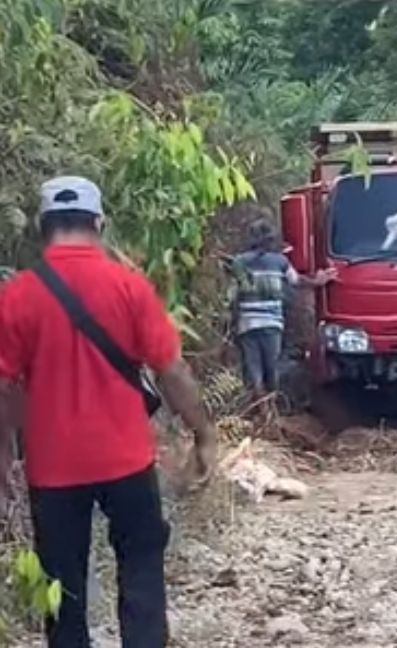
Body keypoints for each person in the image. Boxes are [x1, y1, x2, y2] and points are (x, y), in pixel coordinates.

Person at [0, 176, 217, 647]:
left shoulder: (19, 295)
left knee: (62, 589)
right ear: (99, 222)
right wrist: (203, 434)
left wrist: (3, 453)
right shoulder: (130, 288)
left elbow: (4, 386)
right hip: (127, 463)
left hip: (52, 469)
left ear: (43, 226)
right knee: (140, 570)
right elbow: (171, 371)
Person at [232, 219, 335, 403]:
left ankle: (258, 411)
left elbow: (234, 293)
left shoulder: (239, 262)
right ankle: (270, 411)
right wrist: (318, 281)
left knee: (253, 370)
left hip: (247, 325)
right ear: (270, 240)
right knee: (272, 369)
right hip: (271, 325)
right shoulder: (280, 262)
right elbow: (297, 281)